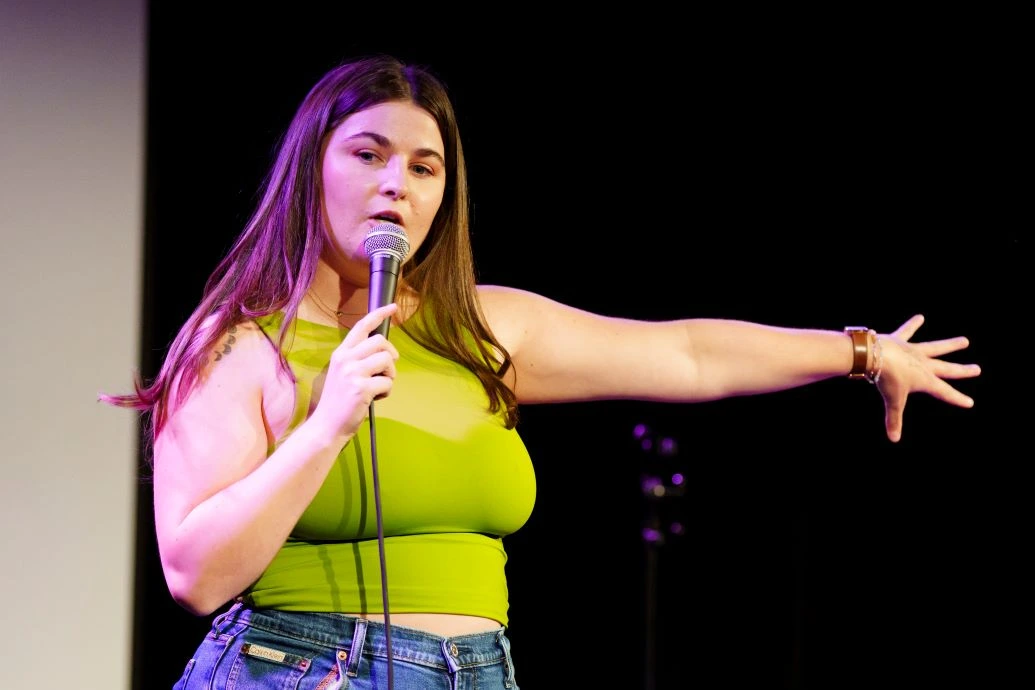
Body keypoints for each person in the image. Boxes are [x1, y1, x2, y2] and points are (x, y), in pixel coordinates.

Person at [102, 53, 981, 689]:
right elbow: (196, 574)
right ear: (312, 168)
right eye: (366, 154)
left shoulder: (483, 329)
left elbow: (684, 352)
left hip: (476, 672)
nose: (394, 186)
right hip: (297, 668)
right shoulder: (241, 342)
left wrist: (861, 352)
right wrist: (328, 421)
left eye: (422, 165)